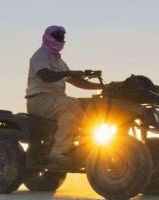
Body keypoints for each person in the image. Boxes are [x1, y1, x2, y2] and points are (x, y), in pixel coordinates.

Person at [25, 25, 102, 166]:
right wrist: (69, 73)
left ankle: (83, 150)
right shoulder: (41, 55)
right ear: (48, 37)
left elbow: (76, 81)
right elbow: (46, 75)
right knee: (72, 105)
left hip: (55, 100)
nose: (60, 39)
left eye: (62, 37)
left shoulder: (59, 61)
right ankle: (58, 152)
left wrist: (102, 87)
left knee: (90, 108)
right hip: (40, 99)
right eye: (57, 36)